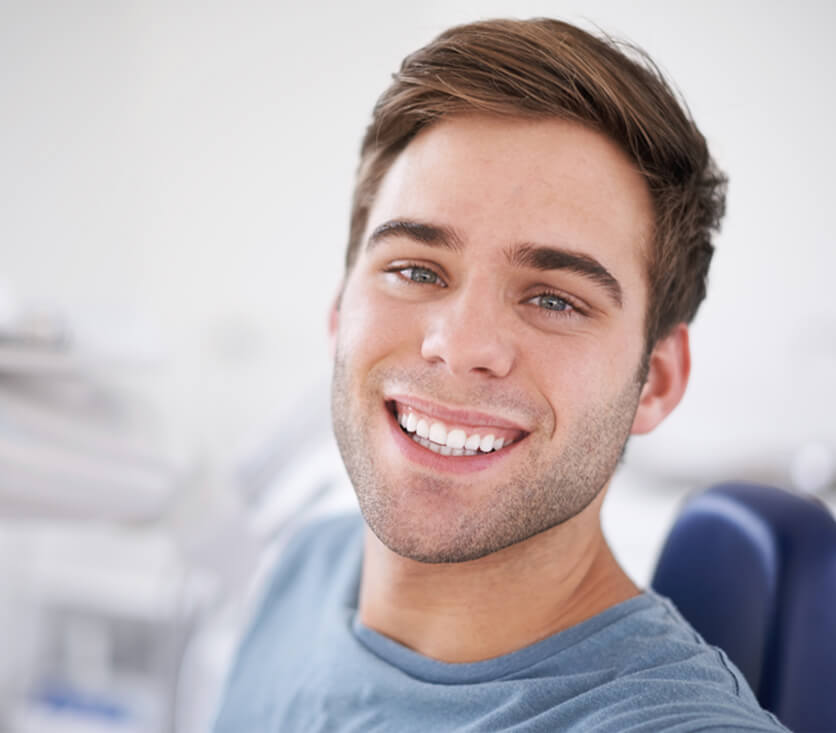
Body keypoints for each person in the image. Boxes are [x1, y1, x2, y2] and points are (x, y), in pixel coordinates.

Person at [213, 18, 788, 732]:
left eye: (553, 298)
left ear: (658, 380)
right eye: (415, 270)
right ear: (339, 308)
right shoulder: (308, 565)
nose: (459, 345)